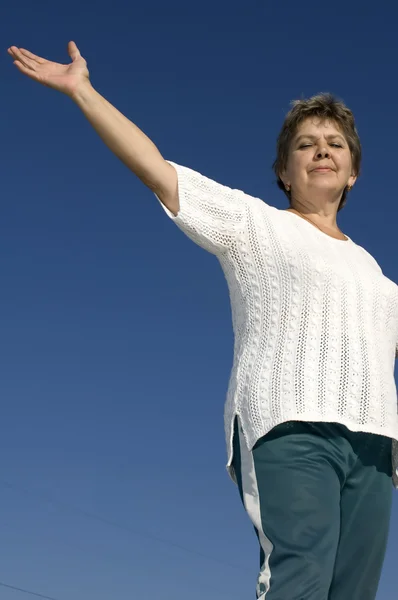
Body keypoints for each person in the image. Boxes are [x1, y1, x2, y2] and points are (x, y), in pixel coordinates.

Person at [7, 41, 398, 600]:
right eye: (305, 145)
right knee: (302, 573)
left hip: (375, 446)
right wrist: (83, 92)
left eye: (335, 144)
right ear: (284, 171)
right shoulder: (252, 223)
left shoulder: (376, 274)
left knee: (352, 591)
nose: (322, 151)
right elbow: (158, 171)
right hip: (288, 424)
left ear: (354, 171)